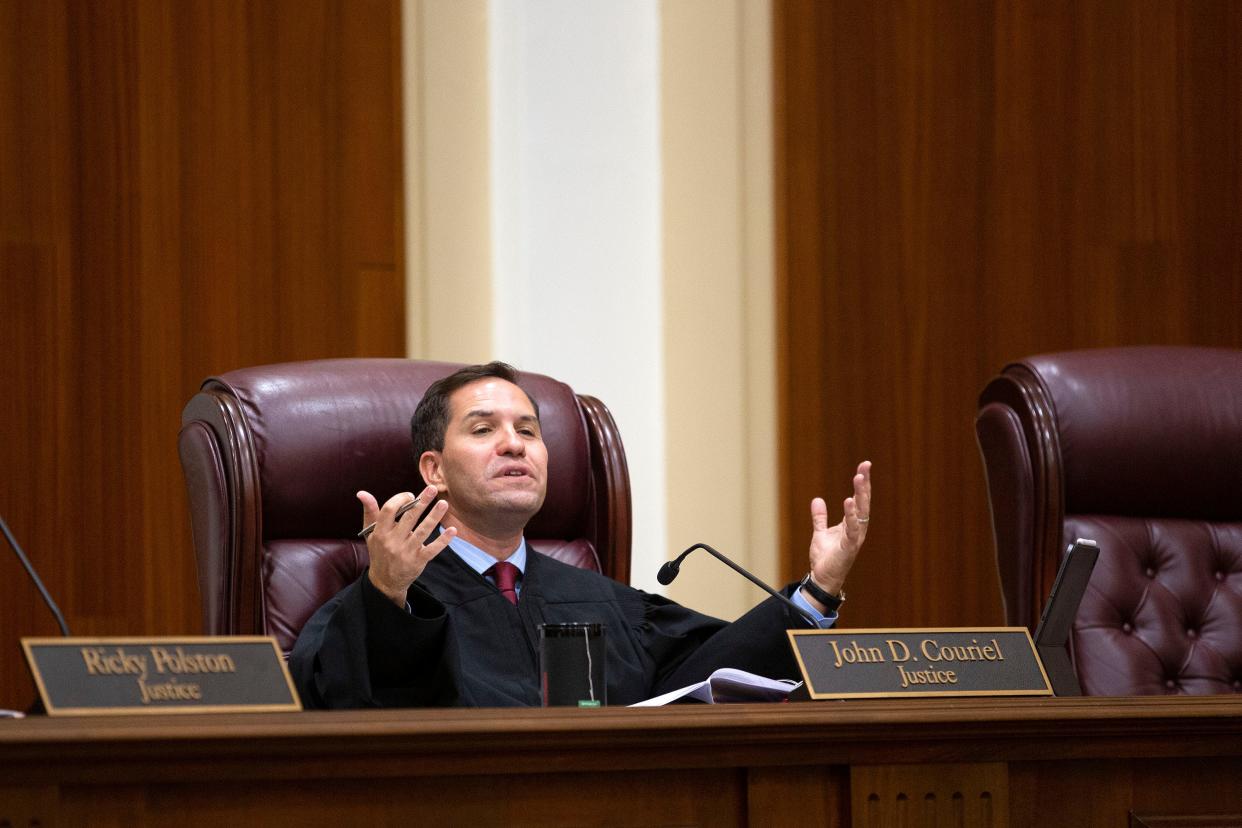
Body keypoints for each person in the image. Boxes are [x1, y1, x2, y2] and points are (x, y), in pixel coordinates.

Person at [290, 362, 872, 708]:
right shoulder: (389, 596)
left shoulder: (599, 599)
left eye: (528, 430)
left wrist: (818, 590)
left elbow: (707, 677)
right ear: (434, 470)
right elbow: (335, 700)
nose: (514, 443)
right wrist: (389, 595)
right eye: (483, 429)